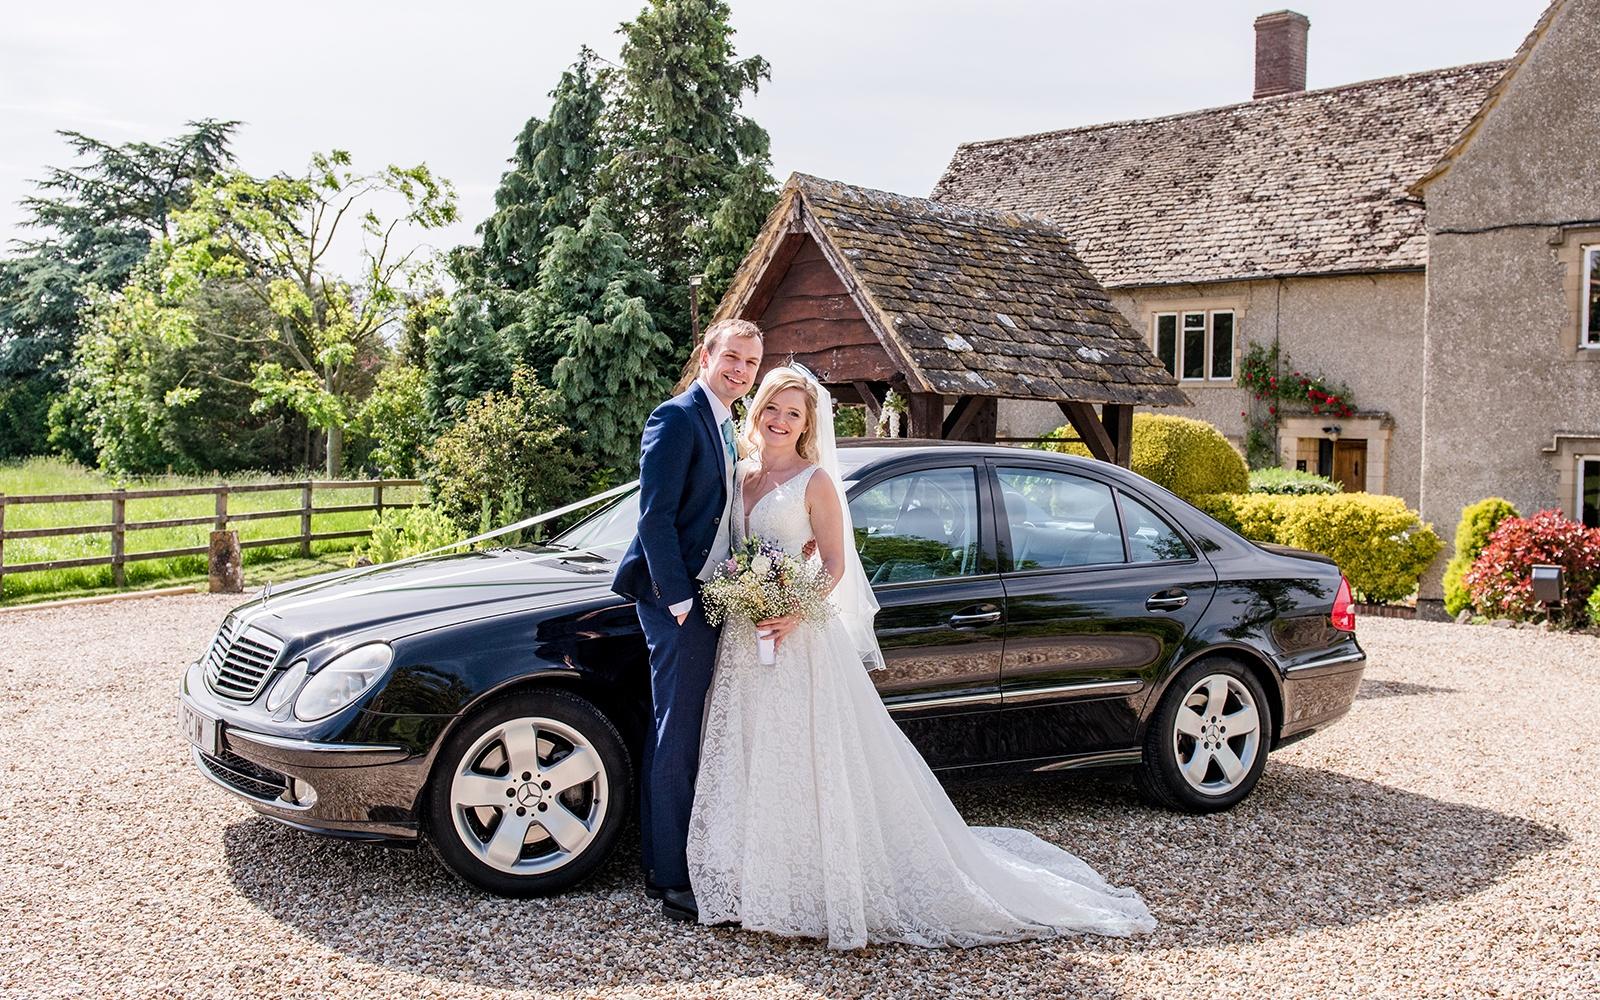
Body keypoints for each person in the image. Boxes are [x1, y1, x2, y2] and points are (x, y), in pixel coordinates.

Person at [685, 366, 1158, 949]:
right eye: (772, 409)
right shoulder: (741, 472)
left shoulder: (816, 482)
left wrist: (791, 607)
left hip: (797, 636)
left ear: (808, 425)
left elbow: (834, 565)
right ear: (756, 411)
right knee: (749, 750)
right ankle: (750, 881)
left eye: (794, 414)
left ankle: (815, 886)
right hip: (742, 633)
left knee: (807, 757)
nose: (780, 421)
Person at [612, 317, 764, 922]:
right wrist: (679, 601)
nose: (741, 371)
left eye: (751, 363)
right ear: (706, 356)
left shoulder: (730, 426)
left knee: (685, 730)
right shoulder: (676, 417)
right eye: (732, 358)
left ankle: (670, 859)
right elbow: (653, 518)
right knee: (677, 733)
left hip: (717, 595)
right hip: (679, 602)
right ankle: (670, 875)